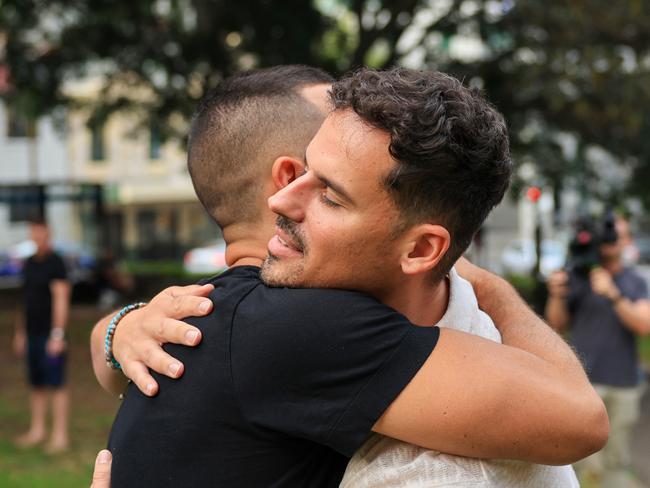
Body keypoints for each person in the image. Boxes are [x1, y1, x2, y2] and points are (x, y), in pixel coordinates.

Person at [92, 67, 607, 487]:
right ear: (286, 169)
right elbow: (579, 419)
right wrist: (487, 285)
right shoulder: (302, 324)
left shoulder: (203, 313)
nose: (283, 200)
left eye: (332, 193)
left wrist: (116, 330)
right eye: (308, 170)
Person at [546, 216, 650, 487]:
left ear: (626, 241)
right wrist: (557, 294)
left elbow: (643, 325)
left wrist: (613, 294)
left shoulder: (635, 281)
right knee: (580, 460)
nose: (610, 241)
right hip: (583, 382)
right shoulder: (577, 277)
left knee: (615, 460)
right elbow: (556, 324)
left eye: (618, 235)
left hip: (622, 383)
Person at [13, 218, 71, 453]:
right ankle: (37, 430)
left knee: (56, 384)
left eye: (41, 232)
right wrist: (20, 333)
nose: (38, 236)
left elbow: (61, 299)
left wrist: (57, 335)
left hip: (51, 337)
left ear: (48, 233)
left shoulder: (56, 263)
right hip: (32, 333)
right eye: (34, 232)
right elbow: (24, 301)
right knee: (36, 383)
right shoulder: (28, 263)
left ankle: (60, 435)